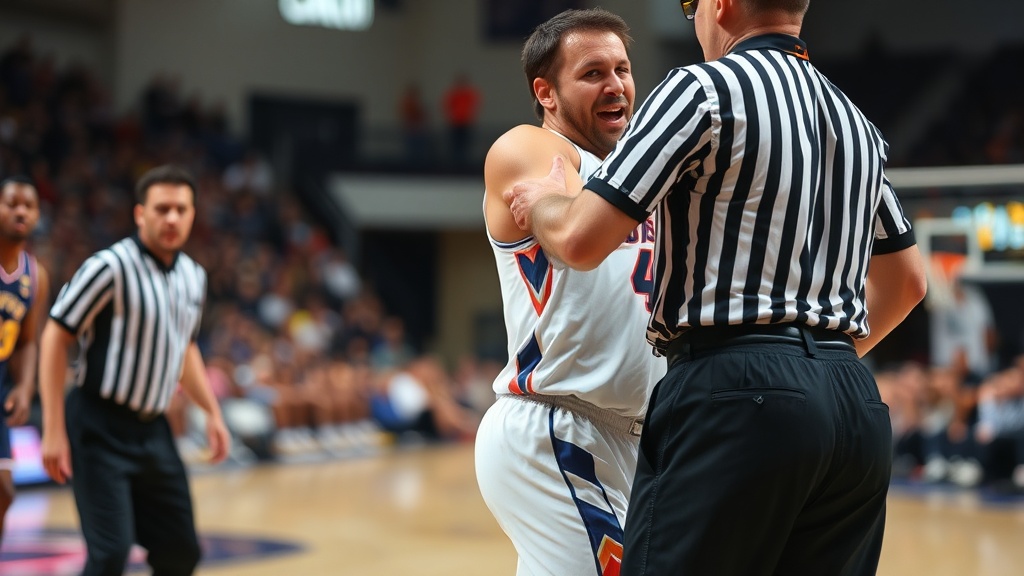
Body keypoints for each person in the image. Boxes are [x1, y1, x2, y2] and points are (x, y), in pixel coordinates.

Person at [506, 1, 929, 574]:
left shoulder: (701, 90)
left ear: (720, 4)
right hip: (852, 403)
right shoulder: (854, 121)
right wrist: (810, 368)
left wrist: (543, 204)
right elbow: (907, 283)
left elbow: (580, 240)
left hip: (736, 388)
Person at [473, 9, 664, 576]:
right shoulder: (527, 148)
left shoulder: (630, 178)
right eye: (592, 73)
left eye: (623, 70)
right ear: (546, 92)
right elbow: (578, 229)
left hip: (637, 439)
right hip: (557, 424)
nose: (616, 85)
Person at [38, 164, 231, 576]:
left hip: (154, 431)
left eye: (181, 209)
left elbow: (185, 349)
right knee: (109, 555)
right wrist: (53, 429)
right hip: (98, 425)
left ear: (194, 214)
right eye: (162, 209)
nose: (172, 218)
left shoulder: (193, 277)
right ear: (140, 214)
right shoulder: (109, 267)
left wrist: (212, 412)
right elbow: (56, 335)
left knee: (181, 553)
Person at [0, 176, 49, 547]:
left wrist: (26, 384)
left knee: (4, 492)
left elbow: (29, 341)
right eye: (11, 202)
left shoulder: (35, 275)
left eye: (28, 205)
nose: (20, 210)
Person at [441, 72, 480, 167]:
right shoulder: (454, 94)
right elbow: (447, 106)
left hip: (466, 123)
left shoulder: (468, 94)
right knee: (454, 145)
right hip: (455, 123)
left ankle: (463, 165)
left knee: (465, 146)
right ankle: (453, 164)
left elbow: (473, 106)